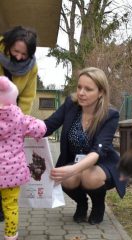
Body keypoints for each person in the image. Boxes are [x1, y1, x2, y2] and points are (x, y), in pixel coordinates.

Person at [44, 67, 126, 225]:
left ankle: (98, 205)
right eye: (79, 87)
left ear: (101, 92)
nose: (81, 92)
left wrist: (73, 169)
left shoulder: (110, 114)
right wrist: (23, 126)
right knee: (67, 179)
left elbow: (98, 151)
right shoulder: (70, 104)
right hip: (75, 160)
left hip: (102, 163)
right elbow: (48, 126)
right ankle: (82, 203)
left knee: (89, 176)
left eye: (88, 89)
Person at [0, 76, 46, 240]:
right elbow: (41, 128)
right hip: (11, 173)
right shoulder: (19, 118)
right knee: (11, 205)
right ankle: (11, 235)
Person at [0, 25, 38, 222]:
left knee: (7, 163)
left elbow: (27, 97)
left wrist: (18, 121)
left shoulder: (31, 67)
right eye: (16, 51)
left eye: (24, 54)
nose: (19, 57)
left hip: (12, 119)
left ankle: (4, 203)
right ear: (7, 44)